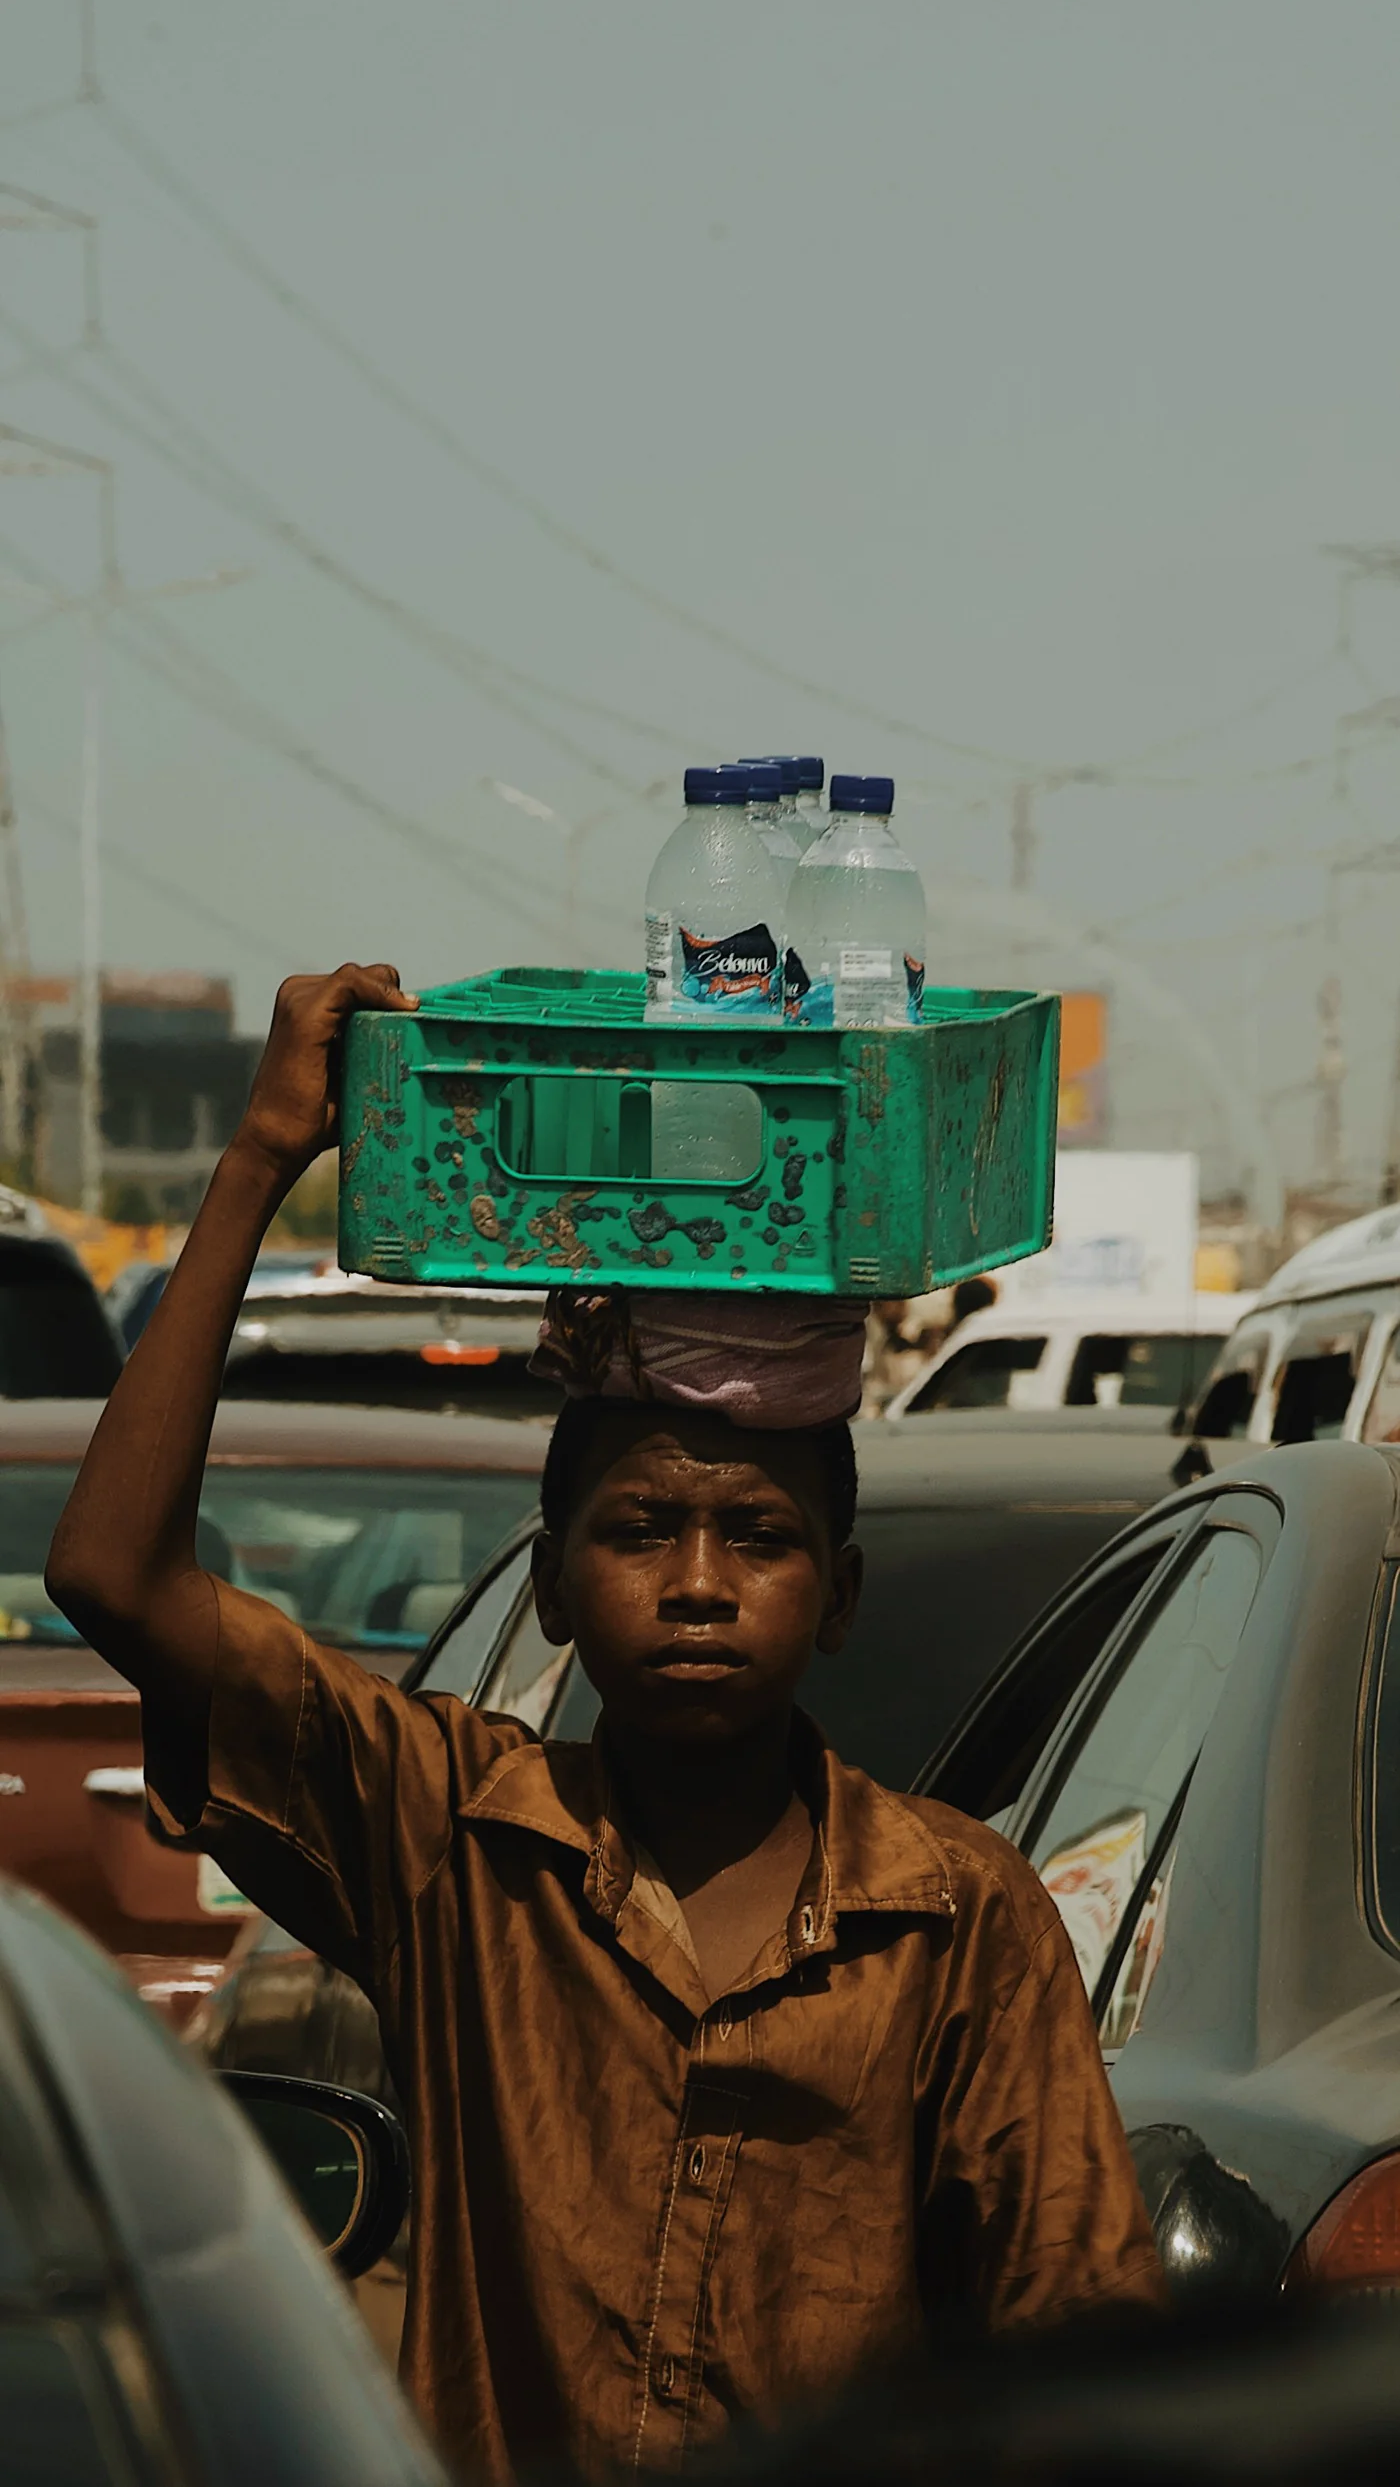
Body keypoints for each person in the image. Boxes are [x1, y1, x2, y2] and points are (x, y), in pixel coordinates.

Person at [47, 965, 1164, 2485]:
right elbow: (116, 1574)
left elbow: (1083, 2352)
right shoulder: (453, 1836)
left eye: (755, 1542)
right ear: (554, 1588)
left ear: (837, 1597)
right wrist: (257, 1161)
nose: (698, 1587)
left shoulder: (958, 1921)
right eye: (640, 1532)